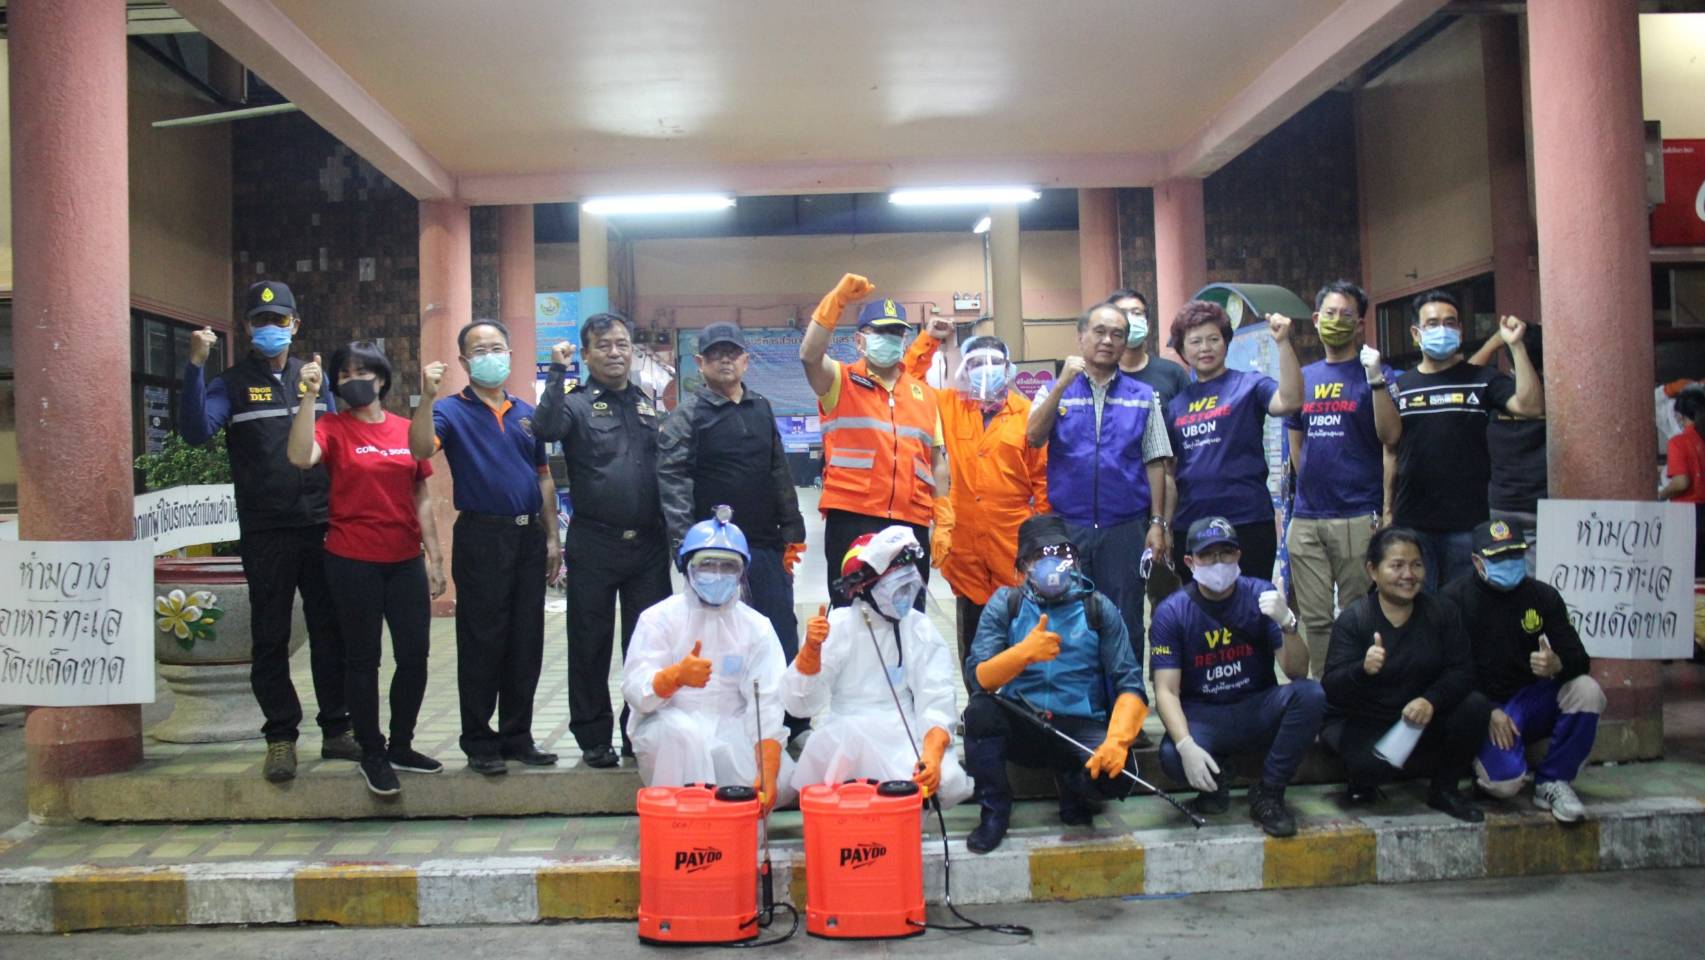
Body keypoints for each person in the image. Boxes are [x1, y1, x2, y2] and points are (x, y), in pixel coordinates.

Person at [178, 280, 355, 781]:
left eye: (279, 320)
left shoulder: (313, 378)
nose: (271, 328)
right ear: (247, 327)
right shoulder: (231, 384)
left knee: (331, 633)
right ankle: (280, 738)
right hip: (267, 531)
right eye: (261, 321)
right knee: (271, 637)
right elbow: (195, 430)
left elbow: (337, 446)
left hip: (322, 525)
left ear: (295, 325)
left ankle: (337, 730)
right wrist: (195, 365)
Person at [287, 342, 445, 796]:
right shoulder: (331, 426)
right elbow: (300, 457)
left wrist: (435, 557)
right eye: (344, 375)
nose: (352, 380)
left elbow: (421, 494)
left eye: (362, 372)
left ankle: (401, 744)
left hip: (404, 560)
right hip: (351, 560)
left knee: (414, 656)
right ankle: (371, 751)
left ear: (381, 379)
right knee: (362, 660)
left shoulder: (405, 428)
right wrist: (308, 397)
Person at [408, 319, 560, 777]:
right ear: (463, 361)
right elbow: (420, 449)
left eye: (497, 348)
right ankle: (479, 740)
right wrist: (426, 397)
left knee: (526, 640)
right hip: (481, 538)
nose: (490, 356)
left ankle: (518, 736)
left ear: (510, 354)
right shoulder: (450, 411)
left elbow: (543, 477)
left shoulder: (527, 413)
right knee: (481, 641)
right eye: (479, 350)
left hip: (528, 537)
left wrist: (552, 537)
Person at [533, 313, 673, 769]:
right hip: (595, 543)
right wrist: (557, 373)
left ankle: (639, 730)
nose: (615, 352)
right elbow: (545, 429)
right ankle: (593, 737)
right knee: (589, 643)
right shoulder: (574, 403)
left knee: (647, 644)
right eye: (604, 345)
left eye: (622, 344)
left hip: (649, 545)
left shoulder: (647, 404)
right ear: (587, 353)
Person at [961, 515, 1149, 853]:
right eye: (1039, 556)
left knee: (1120, 775)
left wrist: (1118, 740)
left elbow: (1130, 682)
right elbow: (978, 677)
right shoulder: (1006, 603)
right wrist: (1021, 655)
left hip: (1079, 723)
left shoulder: (1097, 607)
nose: (1052, 564)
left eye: (1061, 554)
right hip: (1023, 718)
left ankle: (1076, 787)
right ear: (1022, 566)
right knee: (979, 713)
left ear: (1074, 560)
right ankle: (995, 810)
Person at [657, 322, 809, 738]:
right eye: (715, 354)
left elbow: (779, 470)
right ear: (700, 362)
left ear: (745, 360)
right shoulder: (688, 415)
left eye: (732, 353)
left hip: (765, 544)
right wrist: (685, 547)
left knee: (780, 630)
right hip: (715, 555)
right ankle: (729, 721)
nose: (724, 360)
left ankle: (793, 722)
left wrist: (792, 530)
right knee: (721, 636)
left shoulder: (761, 407)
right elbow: (672, 480)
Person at [1150, 517, 1325, 837]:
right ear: (1190, 562)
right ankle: (1217, 780)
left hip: (1257, 706)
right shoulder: (1172, 612)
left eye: (1226, 553)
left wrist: (1288, 624)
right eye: (1207, 555)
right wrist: (1186, 744)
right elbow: (1166, 691)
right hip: (1205, 714)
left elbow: (1297, 671)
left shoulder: (1261, 595)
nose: (1218, 562)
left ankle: (1269, 792)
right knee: (1172, 756)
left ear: (1238, 555)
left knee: (1311, 695)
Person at [901, 316, 1049, 677]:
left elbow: (1043, 482)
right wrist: (928, 340)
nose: (986, 370)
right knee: (973, 635)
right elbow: (908, 383)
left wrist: (1041, 541)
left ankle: (1018, 700)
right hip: (965, 546)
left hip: (1012, 543)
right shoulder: (948, 406)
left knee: (1019, 631)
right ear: (964, 370)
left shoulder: (1027, 414)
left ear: (1008, 368)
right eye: (976, 363)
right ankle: (978, 701)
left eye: (994, 362)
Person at [782, 526, 969, 808]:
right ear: (864, 589)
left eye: (909, 587)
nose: (905, 596)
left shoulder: (918, 627)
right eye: (897, 588)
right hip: (846, 729)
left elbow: (937, 696)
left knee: (944, 776)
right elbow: (802, 705)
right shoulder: (840, 626)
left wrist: (932, 753)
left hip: (902, 727)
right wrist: (810, 653)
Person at [1025, 304, 1171, 667]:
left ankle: (1127, 696)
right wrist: (1062, 383)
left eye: (1117, 334)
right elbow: (1033, 436)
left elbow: (1156, 462)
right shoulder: (1053, 390)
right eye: (1099, 332)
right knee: (1067, 616)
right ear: (1081, 337)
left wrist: (1157, 523)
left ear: (1125, 343)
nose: (1107, 340)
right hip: (1068, 528)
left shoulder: (1143, 396)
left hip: (1124, 528)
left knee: (1125, 618)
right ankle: (1078, 697)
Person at [622, 509, 791, 812]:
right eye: (707, 565)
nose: (717, 574)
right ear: (687, 567)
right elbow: (636, 690)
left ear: (742, 573)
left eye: (728, 566)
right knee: (685, 737)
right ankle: (680, 821)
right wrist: (673, 677)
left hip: (731, 731)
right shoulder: (658, 619)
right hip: (668, 729)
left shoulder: (757, 627)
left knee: (763, 784)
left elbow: (767, 702)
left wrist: (768, 766)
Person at [1321, 526, 1494, 822]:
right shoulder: (1355, 619)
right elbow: (1331, 687)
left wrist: (1431, 700)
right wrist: (1361, 670)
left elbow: (1462, 670)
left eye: (1416, 565)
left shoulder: (1442, 611)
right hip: (1368, 720)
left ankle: (1445, 790)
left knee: (1475, 706)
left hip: (1422, 718)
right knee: (1367, 768)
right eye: (1397, 565)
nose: (1408, 575)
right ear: (1373, 571)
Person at [800, 274, 950, 608]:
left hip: (910, 519)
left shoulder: (925, 395)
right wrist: (836, 301)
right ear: (859, 341)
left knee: (908, 612)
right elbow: (809, 355)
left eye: (896, 333)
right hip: (853, 517)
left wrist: (943, 518)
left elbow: (937, 461)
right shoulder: (840, 381)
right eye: (880, 332)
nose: (889, 339)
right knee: (853, 611)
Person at [1441, 520, 1601, 822]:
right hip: (1483, 705)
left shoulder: (1543, 596)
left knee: (1587, 690)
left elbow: (1580, 660)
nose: (1509, 563)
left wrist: (1557, 664)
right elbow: (1447, 671)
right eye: (1498, 557)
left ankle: (1553, 780)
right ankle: (1482, 761)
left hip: (1531, 698)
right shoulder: (1453, 600)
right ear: (1477, 561)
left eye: (1515, 554)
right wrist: (1486, 711)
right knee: (1504, 785)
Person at [1284, 280, 1400, 678]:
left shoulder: (1376, 373)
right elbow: (1297, 445)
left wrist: (1376, 378)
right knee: (1315, 619)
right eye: (1330, 314)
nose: (1337, 321)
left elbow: (1391, 437)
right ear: (1317, 320)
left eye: (1346, 315)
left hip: (1357, 513)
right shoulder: (1304, 377)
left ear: (1360, 324)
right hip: (1307, 517)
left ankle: (1358, 689)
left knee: (1357, 613)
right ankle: (1325, 690)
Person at [1392, 290, 1542, 591]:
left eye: (1450, 323)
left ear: (1460, 330)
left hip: (1468, 524)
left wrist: (1516, 346)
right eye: (1432, 323)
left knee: (1462, 607)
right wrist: (1386, 512)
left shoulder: (1483, 379)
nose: (1442, 329)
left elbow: (1530, 406)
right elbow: (1389, 449)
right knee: (1418, 606)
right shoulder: (1400, 387)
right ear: (1416, 333)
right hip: (1413, 523)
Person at [1166, 300, 1303, 581]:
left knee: (1251, 600)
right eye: (1195, 341)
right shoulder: (1175, 406)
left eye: (1213, 339)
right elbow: (1168, 471)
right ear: (1182, 350)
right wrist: (1164, 525)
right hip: (1191, 524)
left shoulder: (1251, 385)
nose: (1205, 348)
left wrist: (1283, 343)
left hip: (1248, 519)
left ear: (1226, 343)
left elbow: (1290, 401)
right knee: (1197, 604)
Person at [1110, 289, 1192, 609]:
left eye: (1138, 313)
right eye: (1123, 314)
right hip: (1119, 508)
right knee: (1121, 597)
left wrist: (1165, 521)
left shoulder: (1171, 374)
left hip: (1169, 502)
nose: (1132, 320)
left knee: (1167, 597)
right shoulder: (1104, 377)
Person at [1471, 326, 1548, 575]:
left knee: (1505, 581)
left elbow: (1466, 379)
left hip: (1503, 503)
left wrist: (1495, 341)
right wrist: (1515, 345)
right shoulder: (1559, 392)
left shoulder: (1495, 392)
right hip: (1544, 503)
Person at [1660, 385, 1705, 579]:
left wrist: (1661, 494)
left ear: (1679, 415)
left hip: (1689, 515)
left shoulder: (1678, 442)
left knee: (1689, 576)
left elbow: (1682, 483)